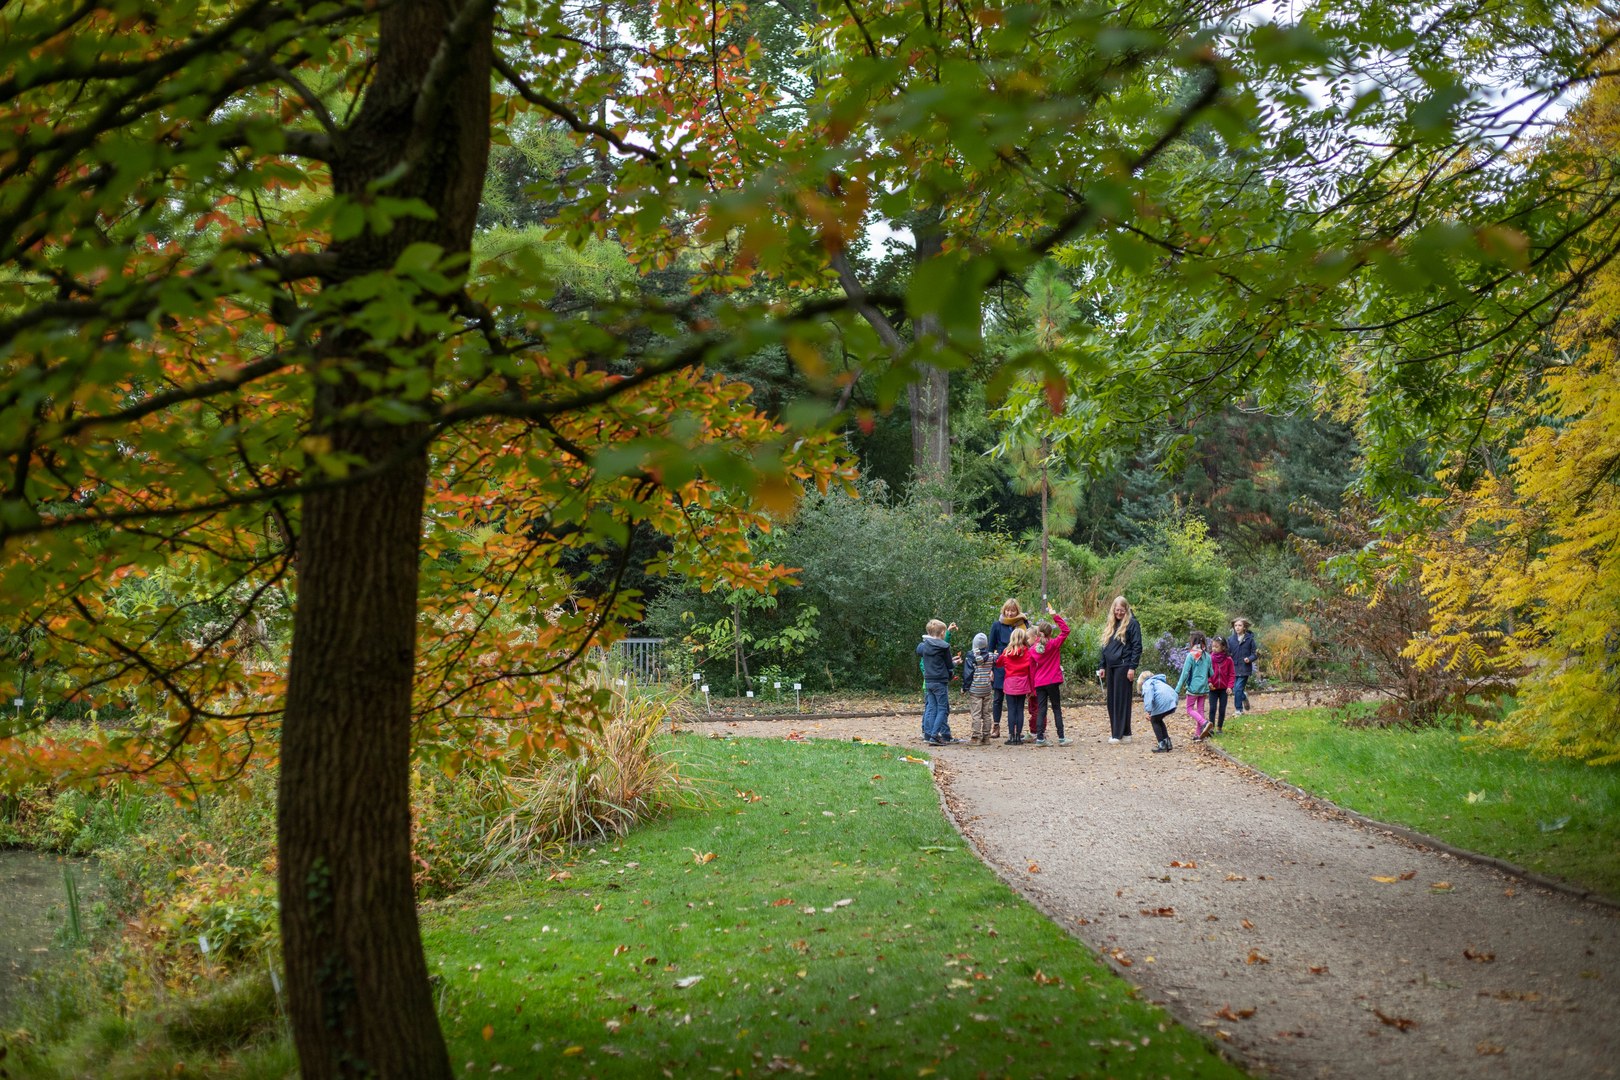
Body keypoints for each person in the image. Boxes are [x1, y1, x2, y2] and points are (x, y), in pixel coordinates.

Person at [1096, 596, 1142, 744]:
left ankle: (1118, 734)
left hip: (1124, 665)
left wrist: (1132, 667)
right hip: (1111, 666)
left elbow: (1137, 646)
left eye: (1122, 610)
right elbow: (1105, 647)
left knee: (1121, 701)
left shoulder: (1133, 624)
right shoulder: (1111, 624)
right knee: (1112, 701)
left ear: (1126, 609)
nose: (1119, 613)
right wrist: (1102, 665)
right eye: (1117, 610)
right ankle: (1126, 733)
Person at [985, 599, 1029, 740]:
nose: (1009, 613)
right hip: (1000, 665)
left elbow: (1028, 644)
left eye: (1013, 611)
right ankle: (996, 726)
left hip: (1018, 668)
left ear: (1017, 611)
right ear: (1003, 611)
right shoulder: (997, 625)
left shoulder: (1022, 625)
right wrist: (990, 669)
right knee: (998, 698)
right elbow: (990, 649)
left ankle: (1016, 729)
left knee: (1017, 702)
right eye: (1007, 610)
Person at [1029, 602, 1071, 747]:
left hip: (1040, 682)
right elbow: (1066, 631)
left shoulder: (1033, 649)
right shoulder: (1054, 644)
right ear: (1050, 633)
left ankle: (1040, 738)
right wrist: (1055, 616)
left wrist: (1032, 685)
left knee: (1041, 709)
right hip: (1053, 680)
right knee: (1056, 708)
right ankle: (1061, 737)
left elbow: (1032, 667)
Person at [915, 619, 960, 745]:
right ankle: (935, 736)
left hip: (928, 681)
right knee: (942, 709)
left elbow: (920, 650)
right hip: (940, 682)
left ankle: (928, 734)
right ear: (942, 633)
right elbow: (949, 664)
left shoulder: (923, 646)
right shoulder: (944, 647)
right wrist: (955, 662)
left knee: (932, 708)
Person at [994, 626, 1034, 745]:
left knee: (1011, 709)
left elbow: (998, 663)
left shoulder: (1007, 652)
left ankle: (1011, 736)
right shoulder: (1027, 651)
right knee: (1020, 709)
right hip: (1023, 682)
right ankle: (1018, 736)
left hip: (1010, 682)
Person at [1175, 631, 1213, 741]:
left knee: (1189, 709)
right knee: (1200, 710)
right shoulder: (1208, 656)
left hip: (1193, 688)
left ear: (1192, 642)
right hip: (1204, 688)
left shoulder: (1190, 656)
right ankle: (1199, 734)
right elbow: (1211, 672)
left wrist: (1177, 689)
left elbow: (1185, 673)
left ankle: (1204, 723)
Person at [961, 633, 996, 744]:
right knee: (986, 713)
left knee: (976, 713)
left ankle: (975, 737)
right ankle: (986, 737)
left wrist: (965, 688)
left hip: (975, 689)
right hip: (987, 688)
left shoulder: (971, 656)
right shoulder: (991, 656)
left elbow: (968, 674)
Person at [1137, 669, 1179, 753]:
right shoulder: (1158, 681)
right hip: (1173, 701)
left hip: (1164, 702)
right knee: (1158, 719)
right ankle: (1167, 742)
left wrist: (1149, 711)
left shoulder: (1147, 684)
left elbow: (1149, 697)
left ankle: (1161, 744)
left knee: (1154, 720)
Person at [1227, 617, 1259, 717]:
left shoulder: (1250, 639)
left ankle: (1238, 710)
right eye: (1235, 625)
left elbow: (1255, 654)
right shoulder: (1230, 640)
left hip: (1245, 668)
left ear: (1244, 627)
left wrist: (1249, 659)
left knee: (1237, 689)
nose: (1237, 627)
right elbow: (1227, 653)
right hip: (1233, 668)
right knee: (1237, 689)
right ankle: (1244, 696)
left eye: (1240, 625)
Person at [1208, 636, 1235, 734]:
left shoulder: (1228, 660)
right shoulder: (1210, 658)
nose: (1214, 648)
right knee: (1212, 708)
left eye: (1216, 646)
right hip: (1213, 689)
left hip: (1224, 689)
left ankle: (1219, 728)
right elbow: (1207, 672)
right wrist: (1209, 682)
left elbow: (1232, 674)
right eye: (1213, 646)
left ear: (1223, 647)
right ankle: (1210, 728)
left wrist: (1230, 686)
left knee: (1222, 709)